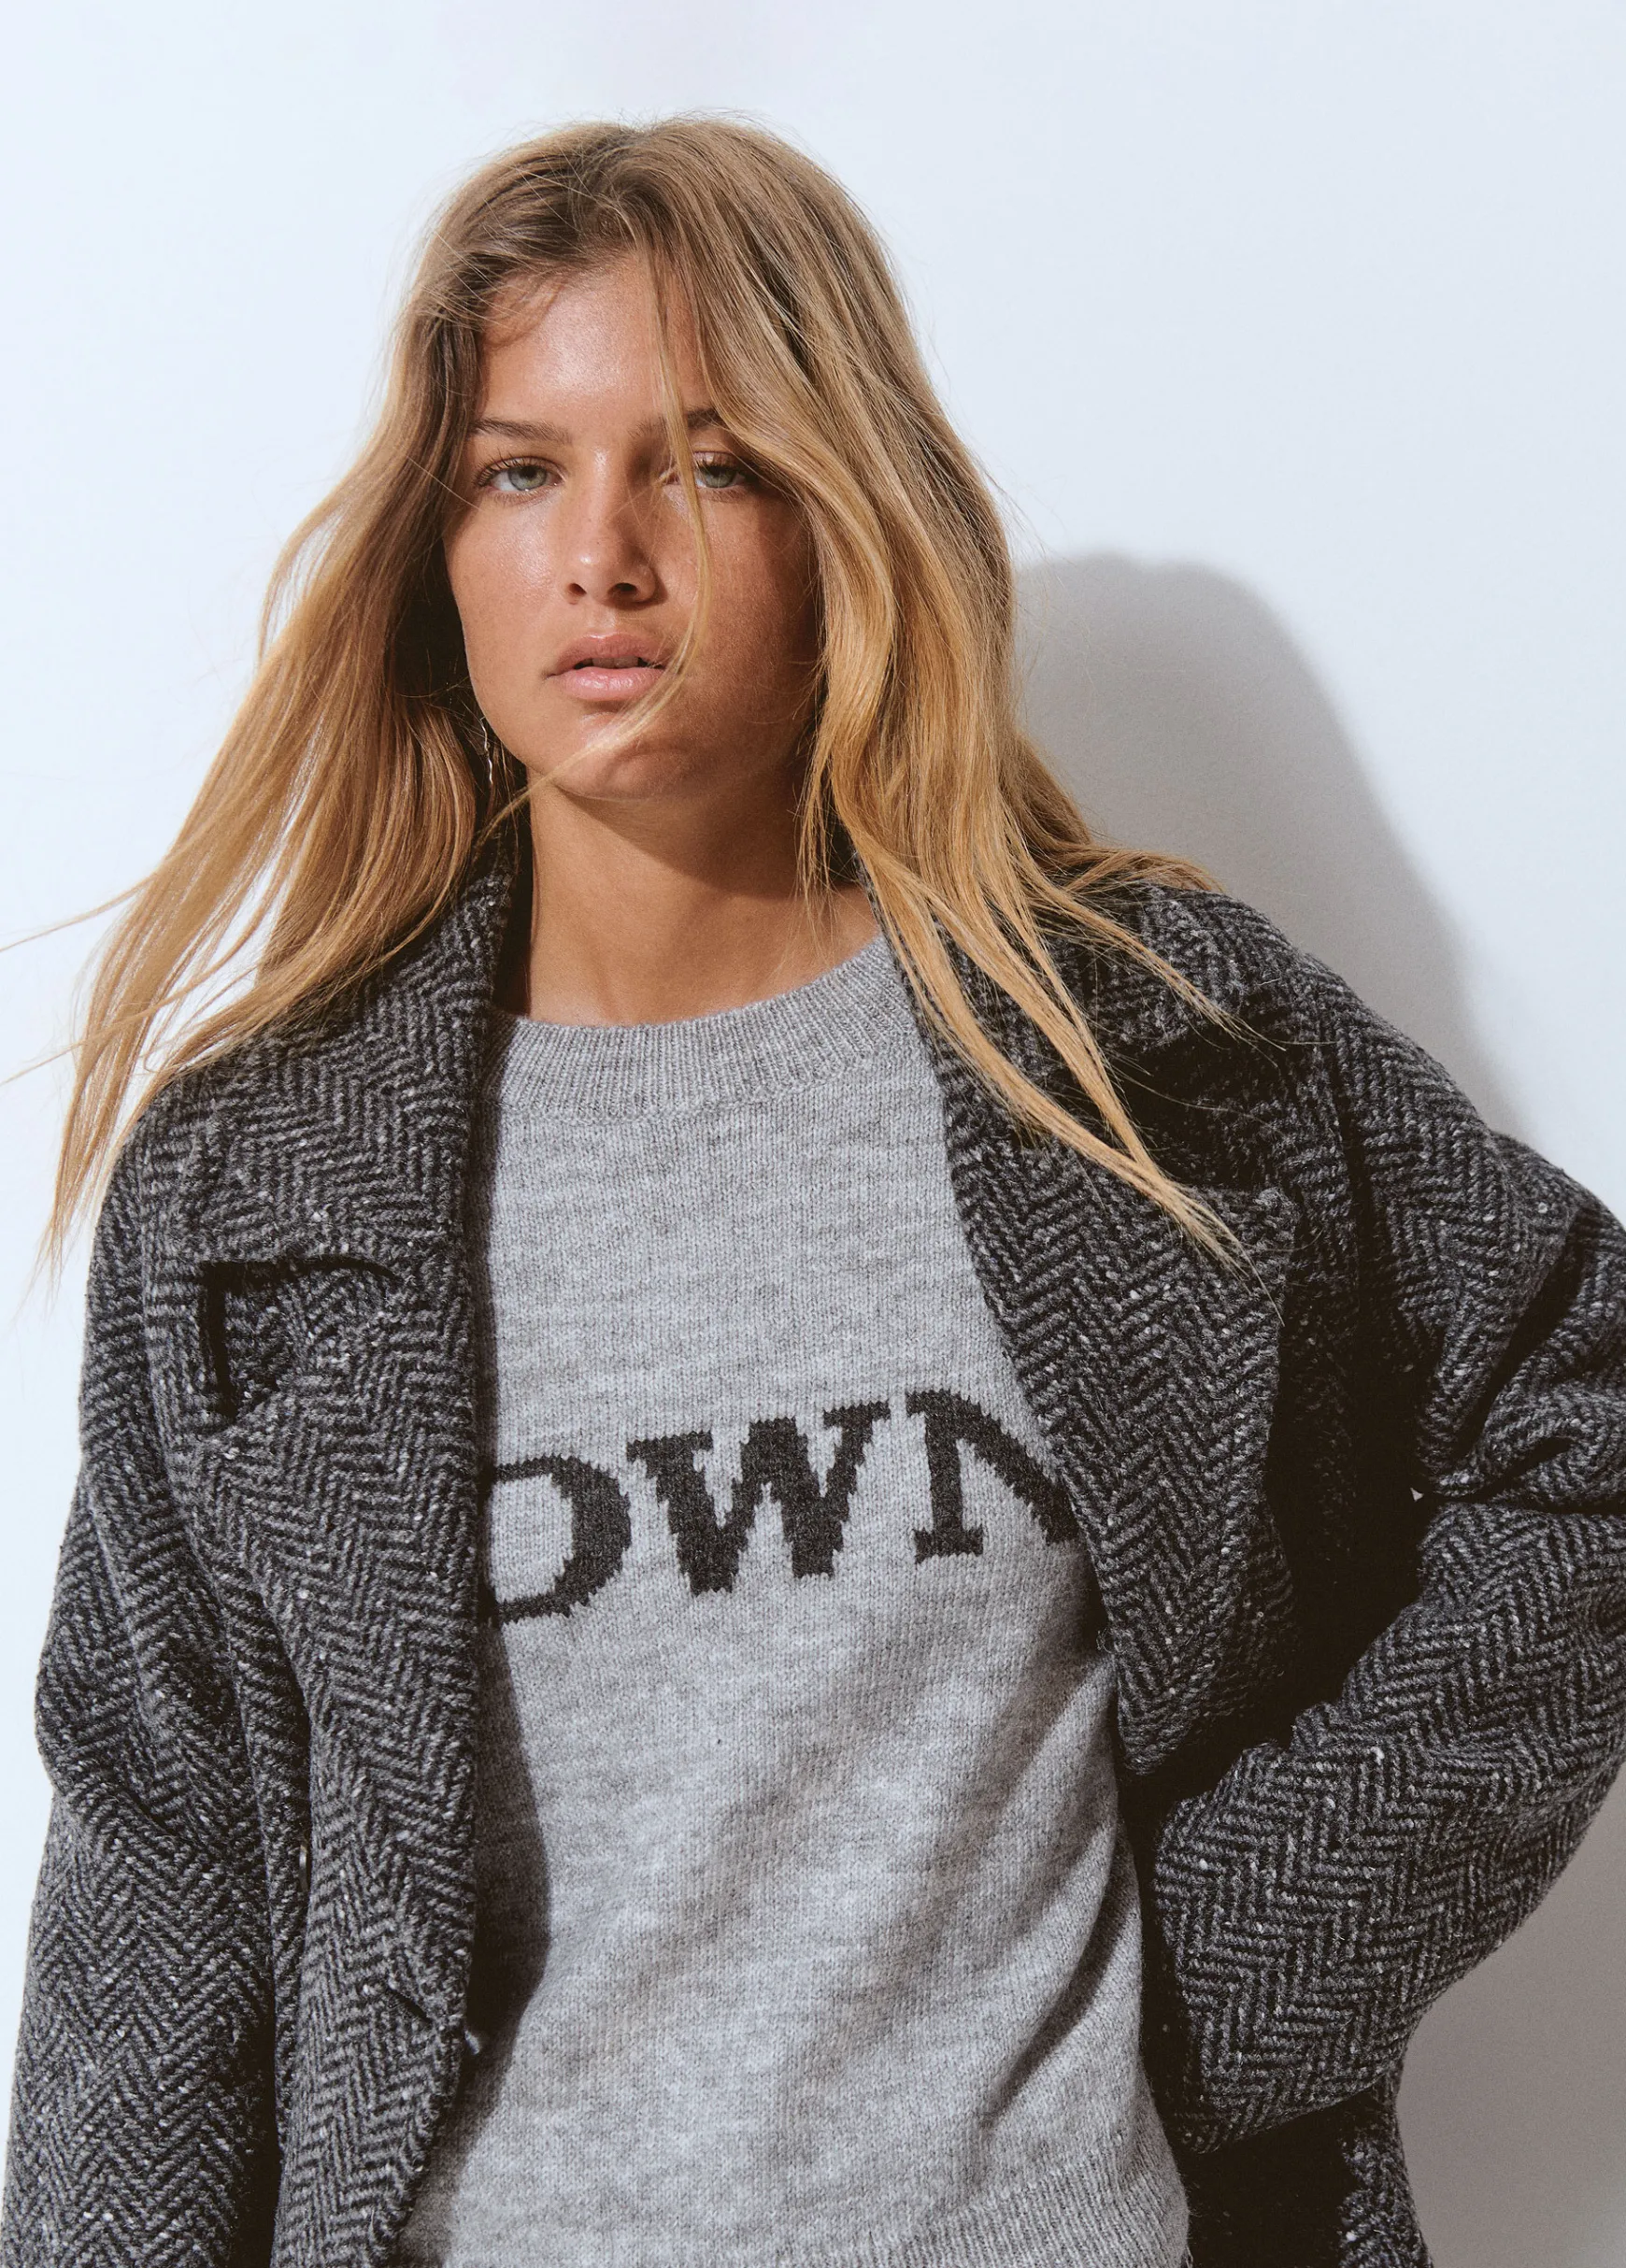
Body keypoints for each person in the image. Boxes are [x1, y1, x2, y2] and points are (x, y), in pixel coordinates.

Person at [4, 117, 1625, 2268]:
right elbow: (161, 1870)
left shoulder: (1150, 1056)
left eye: (708, 463)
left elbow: (1593, 1421)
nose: (606, 555)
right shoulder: (258, 1188)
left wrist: (1209, 1977)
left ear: (845, 510)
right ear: (436, 550)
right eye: (520, 471)